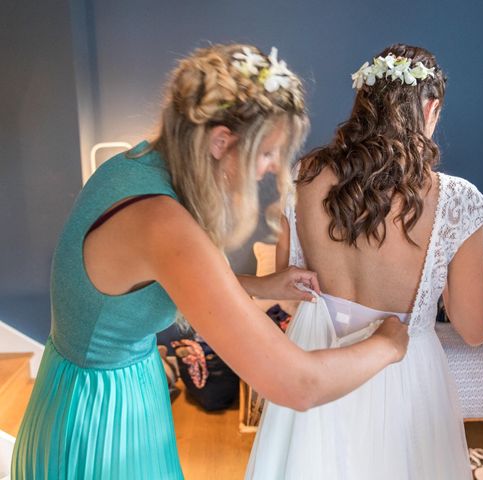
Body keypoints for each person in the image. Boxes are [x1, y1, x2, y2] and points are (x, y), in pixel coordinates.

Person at [10, 44, 409, 479]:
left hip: (89, 382)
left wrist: (261, 286)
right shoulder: (164, 224)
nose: (271, 167)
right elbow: (297, 384)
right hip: (99, 419)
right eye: (266, 152)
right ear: (221, 141)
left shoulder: (136, 163)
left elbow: (151, 283)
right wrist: (388, 344)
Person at [246, 44, 483, 479]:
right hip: (403, 372)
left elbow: (289, 293)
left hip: (318, 361)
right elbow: (473, 331)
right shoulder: (455, 199)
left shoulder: (304, 176)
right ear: (431, 108)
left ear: (363, 104)